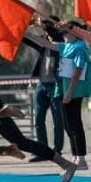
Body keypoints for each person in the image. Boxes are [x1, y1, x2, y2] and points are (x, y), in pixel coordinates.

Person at [29, 21, 90, 169]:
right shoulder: (67, 46)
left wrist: (69, 92)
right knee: (68, 126)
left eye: (65, 32)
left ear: (75, 33)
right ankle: (76, 157)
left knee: (74, 125)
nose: (63, 35)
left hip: (74, 91)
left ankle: (81, 159)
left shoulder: (80, 47)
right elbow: (48, 44)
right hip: (63, 89)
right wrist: (27, 33)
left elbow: (78, 71)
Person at [30, 18, 65, 161]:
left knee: (58, 119)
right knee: (38, 119)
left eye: (47, 24)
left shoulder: (60, 41)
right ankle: (42, 150)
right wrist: (23, 25)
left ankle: (57, 150)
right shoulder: (43, 42)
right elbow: (27, 39)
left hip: (56, 85)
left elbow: (54, 35)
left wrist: (46, 25)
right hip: (41, 85)